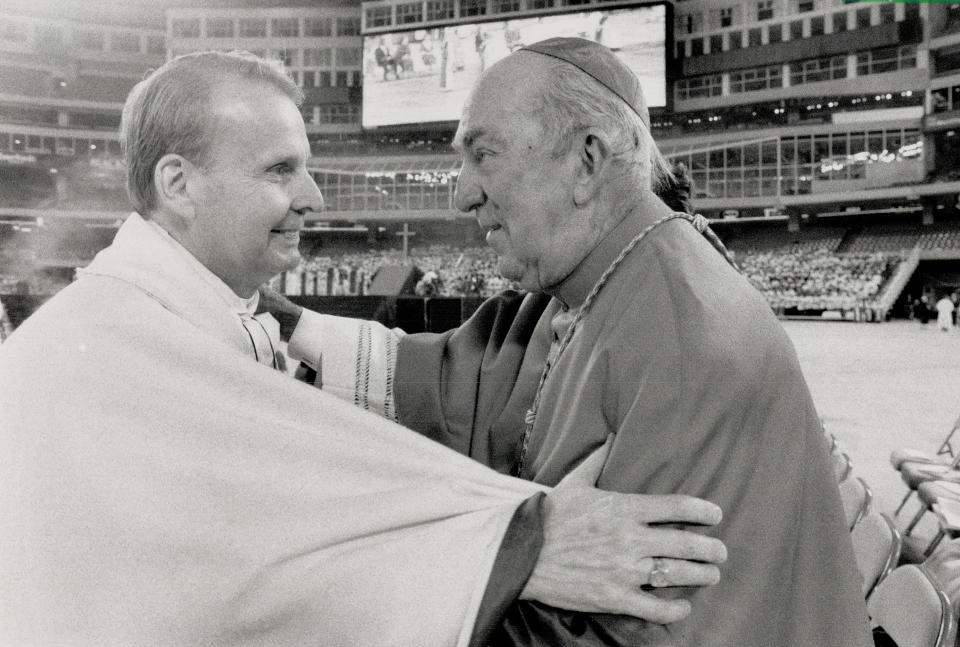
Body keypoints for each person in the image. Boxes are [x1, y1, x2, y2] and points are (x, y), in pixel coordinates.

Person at [0, 50, 729, 646]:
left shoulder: (181, 317)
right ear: (179, 184)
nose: (314, 195)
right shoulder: (97, 356)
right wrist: (523, 545)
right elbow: (277, 557)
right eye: (279, 170)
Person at [275, 39, 873, 645]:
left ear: (587, 160)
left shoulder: (678, 338)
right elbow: (468, 380)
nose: (462, 194)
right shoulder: (588, 281)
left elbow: (626, 624)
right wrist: (290, 324)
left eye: (485, 155)